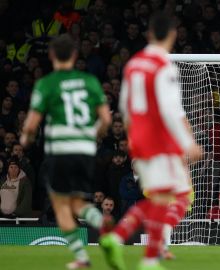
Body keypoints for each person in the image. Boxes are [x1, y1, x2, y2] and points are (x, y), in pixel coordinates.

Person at [100, 11, 203, 270]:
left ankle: (144, 248)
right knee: (184, 195)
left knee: (160, 197)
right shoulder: (163, 66)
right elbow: (172, 110)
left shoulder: (134, 63)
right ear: (172, 35)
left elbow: (124, 106)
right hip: (160, 140)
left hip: (139, 140)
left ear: (147, 34)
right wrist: (188, 142)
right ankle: (138, 245)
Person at [20, 34, 112, 269]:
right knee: (77, 202)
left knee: (61, 205)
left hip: (61, 151)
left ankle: (82, 258)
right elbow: (105, 119)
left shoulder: (47, 83)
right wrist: (92, 135)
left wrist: (26, 138)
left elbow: (30, 126)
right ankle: (101, 222)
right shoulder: (89, 81)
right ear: (74, 55)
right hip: (84, 150)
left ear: (51, 55)